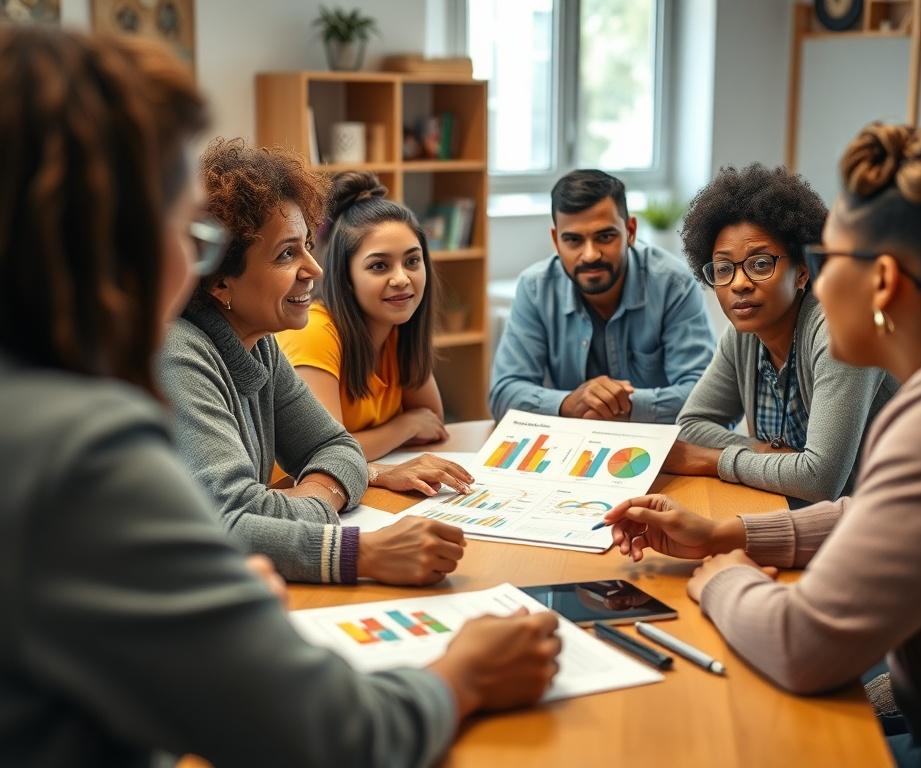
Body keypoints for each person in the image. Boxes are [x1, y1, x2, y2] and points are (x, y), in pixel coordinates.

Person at [0, 26, 560, 767]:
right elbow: (334, 735)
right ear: (121, 238)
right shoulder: (86, 445)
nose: (310, 274)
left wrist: (235, 574)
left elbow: (327, 451)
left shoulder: (219, 356)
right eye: (184, 230)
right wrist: (464, 674)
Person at [603, 116, 921, 766]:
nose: (819, 284)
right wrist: (729, 534)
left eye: (827, 262)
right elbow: (873, 514)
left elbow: (803, 646)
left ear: (882, 281)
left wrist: (725, 577)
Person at [160, 139, 466, 586]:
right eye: (287, 254)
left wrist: (313, 493)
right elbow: (234, 525)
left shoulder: (256, 341)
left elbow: (339, 448)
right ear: (220, 281)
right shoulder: (179, 355)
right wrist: (357, 549)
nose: (314, 269)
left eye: (307, 245)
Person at [665, 164, 897, 502]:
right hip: (796, 515)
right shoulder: (742, 337)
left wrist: (714, 460)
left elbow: (819, 480)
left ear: (802, 272)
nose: (740, 284)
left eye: (760, 264)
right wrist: (764, 451)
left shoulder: (840, 333)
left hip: (886, 520)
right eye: (724, 268)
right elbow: (691, 425)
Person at [277, 171, 474, 495]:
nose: (402, 278)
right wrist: (404, 426)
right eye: (379, 266)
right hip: (298, 497)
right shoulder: (314, 331)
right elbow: (323, 453)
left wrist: (411, 427)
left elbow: (432, 424)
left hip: (362, 490)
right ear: (347, 276)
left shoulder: (397, 327)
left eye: (413, 261)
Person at [489, 169, 715, 423]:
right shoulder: (535, 288)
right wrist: (567, 403)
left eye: (605, 237)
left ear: (630, 231)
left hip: (660, 450)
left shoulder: (673, 284)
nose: (590, 255)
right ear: (555, 240)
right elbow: (503, 394)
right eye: (573, 240)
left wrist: (624, 404)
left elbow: (708, 400)